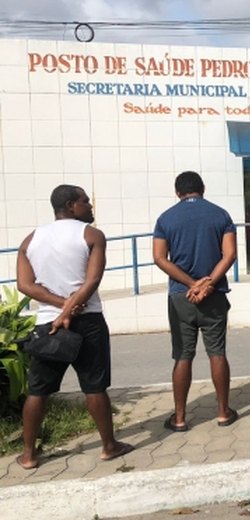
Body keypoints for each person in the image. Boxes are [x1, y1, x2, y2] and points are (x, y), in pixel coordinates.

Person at [15, 185, 134, 469]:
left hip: (48, 324)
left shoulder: (30, 240)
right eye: (85, 201)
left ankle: (29, 455)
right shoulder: (92, 235)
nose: (90, 206)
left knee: (38, 390)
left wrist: (60, 309)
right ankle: (108, 446)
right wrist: (69, 307)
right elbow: (91, 281)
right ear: (70, 205)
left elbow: (25, 285)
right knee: (94, 387)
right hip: (88, 321)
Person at [153, 171, 238, 432]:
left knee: (182, 356)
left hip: (181, 297)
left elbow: (159, 258)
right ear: (202, 188)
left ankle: (179, 418)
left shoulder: (165, 218)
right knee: (217, 353)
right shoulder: (221, 215)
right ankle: (223, 412)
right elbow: (230, 254)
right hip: (213, 296)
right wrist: (208, 283)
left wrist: (191, 284)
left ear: (177, 192)